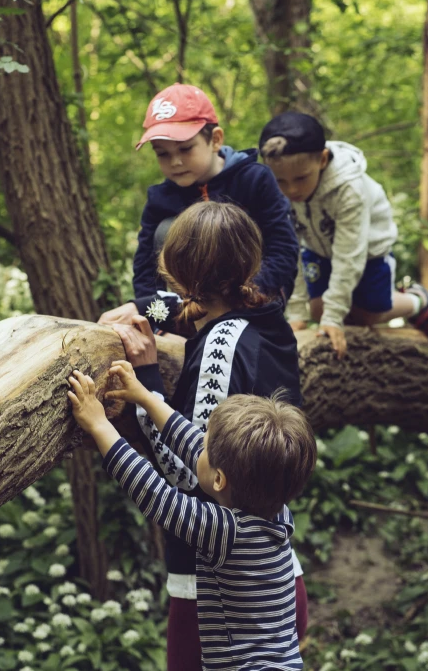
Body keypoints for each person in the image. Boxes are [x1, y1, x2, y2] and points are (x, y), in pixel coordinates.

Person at [110, 201, 307, 671]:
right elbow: (187, 306)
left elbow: (189, 471)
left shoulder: (222, 347)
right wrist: (143, 310)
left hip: (218, 597)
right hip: (273, 583)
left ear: (175, 271)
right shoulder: (263, 309)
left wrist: (147, 377)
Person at [68, 363, 317, 671]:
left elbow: (154, 493)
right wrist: (146, 398)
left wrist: (99, 425)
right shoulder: (277, 507)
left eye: (206, 444)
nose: (200, 444)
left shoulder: (224, 532)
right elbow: (194, 446)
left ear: (219, 480)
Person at [258, 112, 428, 357]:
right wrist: (297, 316)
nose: (292, 189)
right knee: (318, 310)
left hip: (367, 253)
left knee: (367, 315)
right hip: (319, 250)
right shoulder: (284, 192)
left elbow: (349, 255)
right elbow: (293, 252)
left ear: (322, 160)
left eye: (301, 178)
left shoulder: (349, 189)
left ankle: (417, 301)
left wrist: (334, 319)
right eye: (281, 181)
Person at [98, 83, 299, 326]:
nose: (175, 161)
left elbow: (283, 248)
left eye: (185, 148)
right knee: (166, 230)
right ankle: (177, 327)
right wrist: (151, 316)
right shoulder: (160, 199)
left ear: (215, 140)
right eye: (162, 153)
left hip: (254, 296)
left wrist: (252, 292)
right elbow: (146, 269)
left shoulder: (254, 180)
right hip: (193, 308)